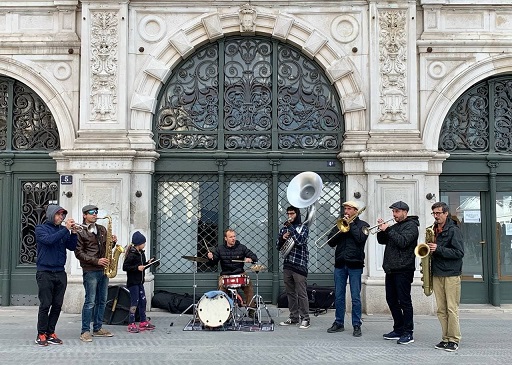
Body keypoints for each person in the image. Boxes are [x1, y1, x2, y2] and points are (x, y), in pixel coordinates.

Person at [376, 201, 419, 345]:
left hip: (404, 269)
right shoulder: (395, 226)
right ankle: (398, 328)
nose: (394, 215)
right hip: (391, 268)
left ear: (405, 212)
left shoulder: (412, 226)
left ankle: (408, 332)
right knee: (391, 299)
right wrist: (381, 230)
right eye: (393, 212)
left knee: (404, 301)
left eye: (397, 212)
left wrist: (388, 230)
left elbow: (403, 242)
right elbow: (383, 241)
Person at [34, 204, 78, 346]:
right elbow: (49, 241)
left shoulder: (62, 231)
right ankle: (41, 334)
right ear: (52, 215)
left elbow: (71, 246)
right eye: (59, 215)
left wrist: (74, 233)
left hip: (60, 272)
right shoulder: (41, 229)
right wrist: (66, 229)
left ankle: (50, 332)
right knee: (45, 304)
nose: (61, 217)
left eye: (63, 215)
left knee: (57, 305)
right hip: (45, 272)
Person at [75, 204, 117, 342]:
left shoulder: (102, 229)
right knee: (90, 301)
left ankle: (98, 328)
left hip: (104, 270)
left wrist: (113, 244)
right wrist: (96, 261)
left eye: (96, 212)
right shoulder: (79, 231)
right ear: (84, 215)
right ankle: (85, 331)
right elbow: (79, 253)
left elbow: (106, 248)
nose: (95, 214)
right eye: (91, 212)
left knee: (102, 300)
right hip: (90, 270)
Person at [326, 201, 368, 337]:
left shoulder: (363, 225)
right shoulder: (340, 223)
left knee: (355, 297)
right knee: (339, 296)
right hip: (340, 264)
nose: (346, 211)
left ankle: (356, 324)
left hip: (355, 265)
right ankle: (339, 322)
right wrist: (340, 229)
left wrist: (352, 225)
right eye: (345, 209)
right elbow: (331, 241)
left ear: (356, 211)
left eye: (349, 209)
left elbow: (361, 239)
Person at [428, 202, 464, 352]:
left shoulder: (454, 230)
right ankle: (445, 338)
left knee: (451, 308)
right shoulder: (433, 229)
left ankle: (454, 339)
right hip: (437, 273)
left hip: (451, 274)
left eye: (438, 213)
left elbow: (459, 253)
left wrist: (439, 249)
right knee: (441, 309)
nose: (436, 216)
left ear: (446, 213)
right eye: (434, 214)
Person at [277, 205, 311, 329]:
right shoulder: (283, 229)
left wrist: (291, 229)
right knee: (290, 293)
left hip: (299, 264)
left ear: (297, 214)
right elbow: (278, 246)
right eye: (288, 214)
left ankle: (305, 318)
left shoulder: (303, 227)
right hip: (287, 264)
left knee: (301, 293)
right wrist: (282, 238)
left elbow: (300, 241)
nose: (290, 216)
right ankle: (293, 317)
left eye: (292, 214)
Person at [207, 229, 258, 311]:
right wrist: (211, 258)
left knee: (249, 286)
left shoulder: (241, 247)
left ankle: (251, 309)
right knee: (221, 289)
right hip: (226, 274)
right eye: (230, 237)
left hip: (239, 273)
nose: (233, 238)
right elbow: (212, 263)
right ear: (226, 238)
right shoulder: (220, 249)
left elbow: (254, 257)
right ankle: (223, 311)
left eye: (234, 236)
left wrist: (250, 259)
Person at [122, 231, 156, 333]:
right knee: (134, 302)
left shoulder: (141, 253)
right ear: (139, 244)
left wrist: (148, 263)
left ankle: (143, 321)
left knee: (143, 301)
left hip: (140, 281)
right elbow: (125, 267)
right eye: (143, 243)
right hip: (133, 283)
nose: (144, 245)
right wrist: (137, 268)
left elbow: (142, 266)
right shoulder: (132, 254)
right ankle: (131, 323)